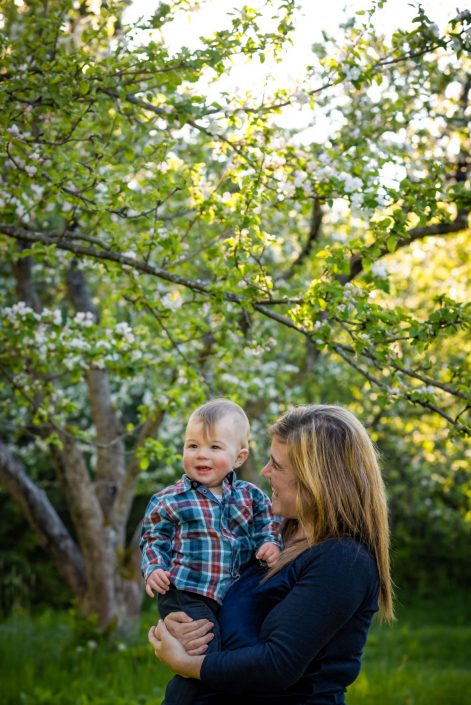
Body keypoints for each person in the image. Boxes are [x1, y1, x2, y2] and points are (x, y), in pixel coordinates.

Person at [148, 404, 394, 705]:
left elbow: (277, 665)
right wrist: (176, 625)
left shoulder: (342, 560)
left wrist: (185, 664)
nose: (264, 472)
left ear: (314, 479)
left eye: (276, 465)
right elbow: (207, 587)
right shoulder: (267, 535)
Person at [140, 398, 281, 705]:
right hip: (187, 591)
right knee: (203, 654)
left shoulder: (251, 496)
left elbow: (268, 522)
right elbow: (153, 539)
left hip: (231, 592)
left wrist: (270, 543)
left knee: (236, 652)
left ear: (239, 456)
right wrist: (154, 568)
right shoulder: (170, 500)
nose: (201, 455)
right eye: (192, 446)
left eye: (215, 448)